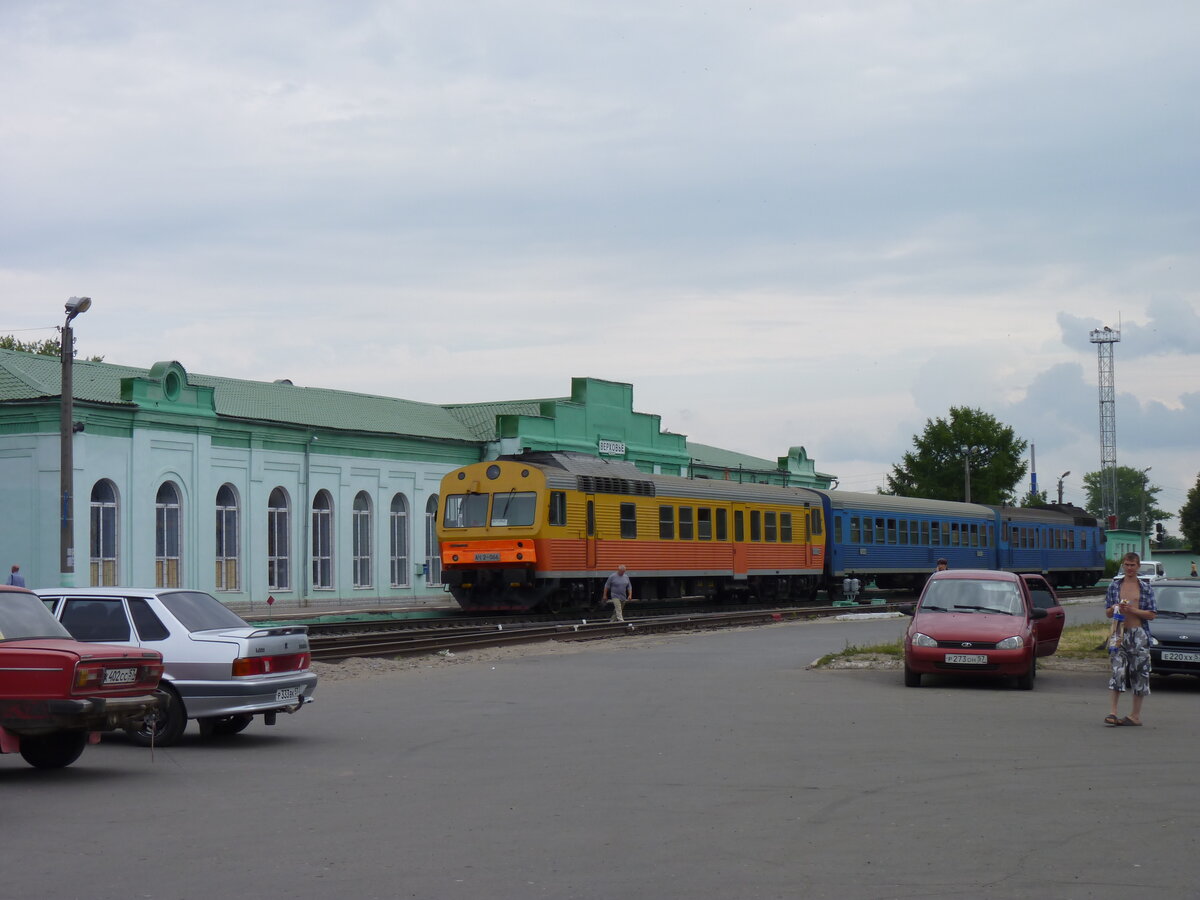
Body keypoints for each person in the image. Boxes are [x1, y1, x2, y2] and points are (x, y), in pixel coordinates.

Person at [1104, 552, 1157, 727]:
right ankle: (1113, 712)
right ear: (1123, 565)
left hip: (1138, 633)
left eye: (1132, 565)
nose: (1129, 568)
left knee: (1140, 673)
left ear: (1138, 566)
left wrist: (1132, 610)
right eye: (1126, 565)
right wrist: (1115, 608)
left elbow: (1151, 614)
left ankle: (1135, 715)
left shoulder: (1145, 587)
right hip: (1119, 633)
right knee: (1117, 671)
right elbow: (1108, 612)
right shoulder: (1114, 586)